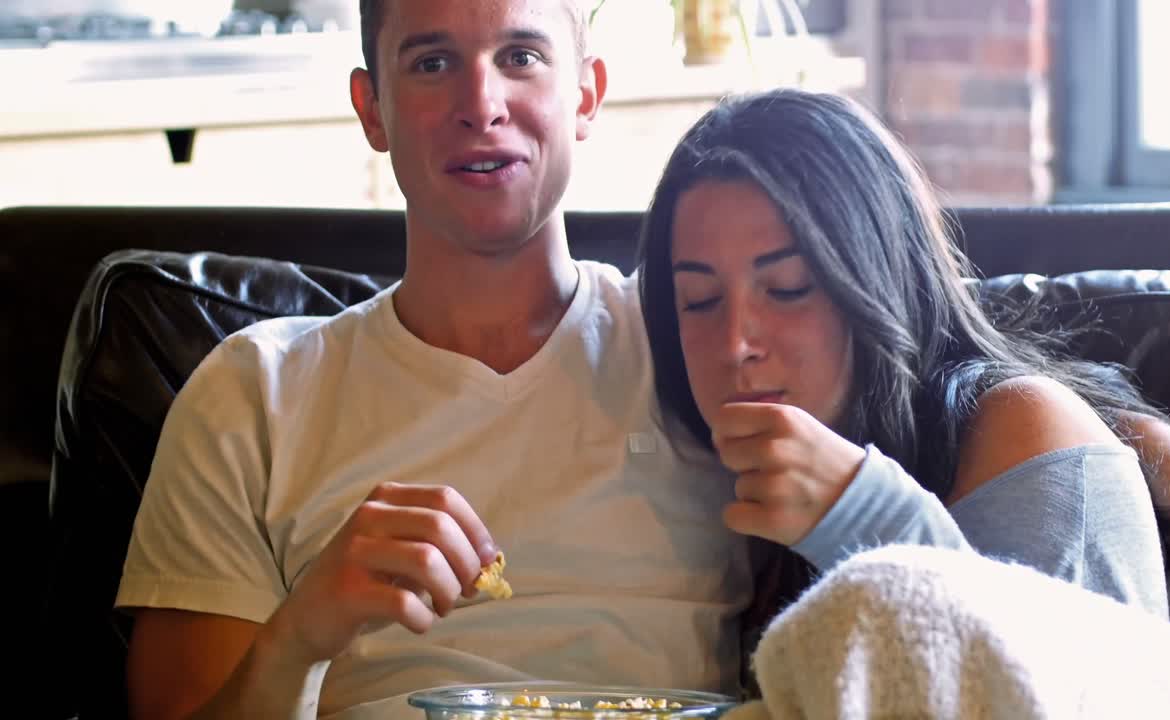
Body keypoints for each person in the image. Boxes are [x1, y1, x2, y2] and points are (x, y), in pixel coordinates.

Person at [117, 2, 755, 719]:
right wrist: (300, 636)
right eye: (431, 63)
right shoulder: (252, 395)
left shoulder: (705, 347)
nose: (481, 106)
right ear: (373, 110)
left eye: (520, 57)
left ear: (586, 93)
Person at [635, 88, 1170, 653]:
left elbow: (1048, 700)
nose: (736, 342)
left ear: (878, 282)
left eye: (789, 287)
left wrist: (862, 517)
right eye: (700, 301)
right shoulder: (704, 474)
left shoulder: (1019, 427)